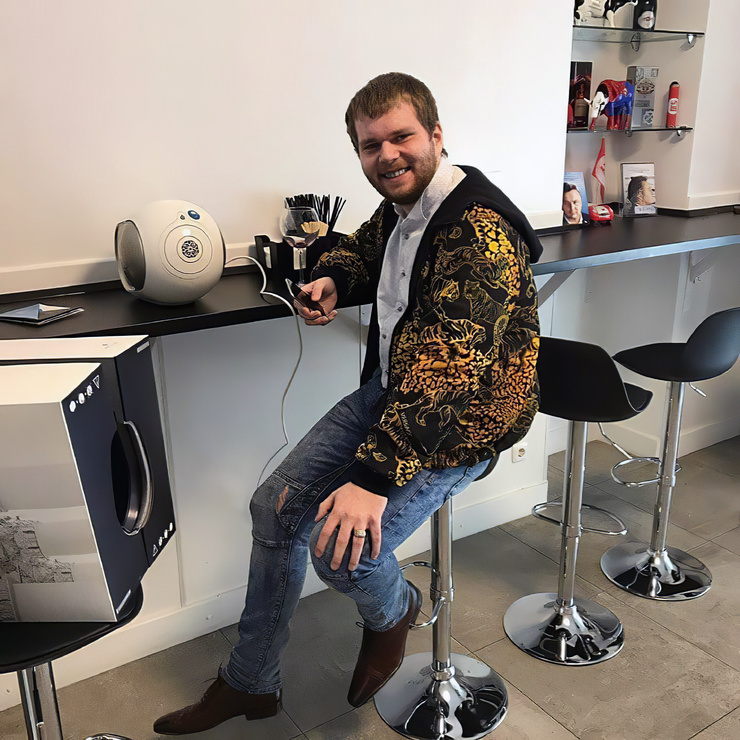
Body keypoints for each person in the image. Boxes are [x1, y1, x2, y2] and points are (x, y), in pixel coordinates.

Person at [153, 72, 542, 735]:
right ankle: (250, 681)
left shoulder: (476, 232)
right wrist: (333, 276)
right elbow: (360, 249)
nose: (386, 155)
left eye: (401, 137)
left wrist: (371, 480)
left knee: (343, 554)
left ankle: (395, 612)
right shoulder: (404, 208)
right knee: (274, 508)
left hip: (459, 426)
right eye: (370, 145)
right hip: (394, 398)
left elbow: (448, 371)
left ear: (436, 135)